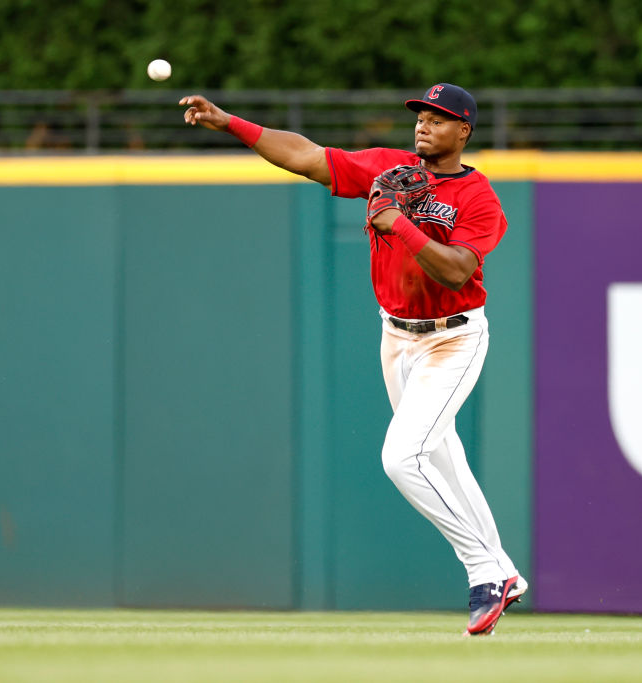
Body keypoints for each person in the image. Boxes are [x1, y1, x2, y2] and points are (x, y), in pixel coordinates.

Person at [181, 83, 526, 636]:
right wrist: (233, 125)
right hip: (396, 335)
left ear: (464, 130)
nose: (424, 125)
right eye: (420, 115)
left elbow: (458, 269)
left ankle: (485, 570)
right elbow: (308, 156)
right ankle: (503, 569)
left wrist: (402, 225)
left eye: (439, 119)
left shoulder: (479, 197)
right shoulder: (389, 170)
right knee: (441, 459)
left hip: (453, 338)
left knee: (403, 457)